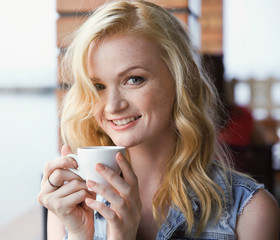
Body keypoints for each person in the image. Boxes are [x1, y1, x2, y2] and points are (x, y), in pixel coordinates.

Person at [38, 1, 280, 239]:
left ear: (179, 81)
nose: (112, 105)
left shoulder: (250, 213)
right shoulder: (69, 208)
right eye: (98, 85)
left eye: (134, 79)